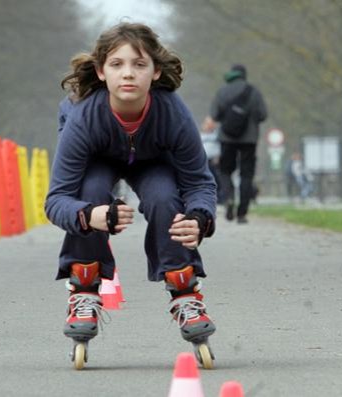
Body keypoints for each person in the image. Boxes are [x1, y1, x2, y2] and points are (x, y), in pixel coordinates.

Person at [46, 22, 218, 368]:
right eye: (117, 64)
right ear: (101, 71)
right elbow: (57, 199)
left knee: (165, 199)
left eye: (139, 65)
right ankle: (84, 286)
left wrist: (201, 218)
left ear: (155, 72)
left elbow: (200, 182)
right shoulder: (83, 117)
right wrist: (87, 216)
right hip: (96, 158)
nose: (128, 74)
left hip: (152, 159)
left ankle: (184, 289)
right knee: (91, 195)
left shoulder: (172, 112)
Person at [202, 64, 267, 224]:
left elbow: (214, 115)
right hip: (249, 140)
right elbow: (263, 115)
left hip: (227, 139)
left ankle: (229, 198)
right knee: (246, 175)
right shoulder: (254, 92)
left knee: (225, 171)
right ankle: (242, 213)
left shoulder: (222, 91)